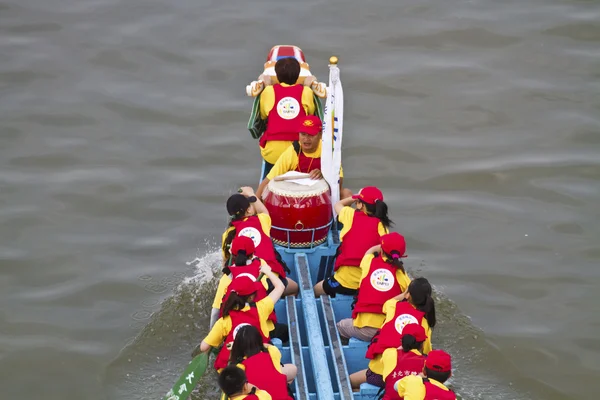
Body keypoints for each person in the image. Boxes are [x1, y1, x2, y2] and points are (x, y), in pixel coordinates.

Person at [350, 277, 437, 390]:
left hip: (379, 376)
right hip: (407, 379)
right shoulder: (425, 325)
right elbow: (426, 354)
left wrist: (404, 294)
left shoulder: (393, 307)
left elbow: (389, 302)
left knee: (350, 380)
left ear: (408, 295)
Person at [197, 264, 285, 371]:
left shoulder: (224, 320)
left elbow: (204, 347)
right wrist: (268, 271)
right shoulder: (261, 308)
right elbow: (280, 287)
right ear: (251, 297)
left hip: (232, 373)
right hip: (256, 366)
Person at [221, 186, 298, 300]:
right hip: (267, 280)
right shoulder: (260, 220)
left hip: (243, 284)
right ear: (248, 210)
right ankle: (277, 301)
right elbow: (264, 211)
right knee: (295, 288)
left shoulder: (227, 234)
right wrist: (251, 194)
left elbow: (225, 263)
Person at [314, 186, 392, 297]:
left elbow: (337, 205)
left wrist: (354, 197)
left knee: (316, 289)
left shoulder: (350, 215)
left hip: (344, 283)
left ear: (360, 204)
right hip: (368, 285)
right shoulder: (383, 226)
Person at [336, 233, 411, 343]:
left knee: (340, 326)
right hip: (389, 330)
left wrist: (382, 246)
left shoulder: (369, 263)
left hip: (368, 330)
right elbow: (410, 293)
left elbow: (369, 252)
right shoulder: (402, 275)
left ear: (381, 249)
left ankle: (344, 347)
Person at [255, 115, 352, 200]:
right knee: (266, 193)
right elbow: (268, 180)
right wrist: (254, 203)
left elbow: (338, 182)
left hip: (321, 198)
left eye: (311, 135)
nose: (306, 139)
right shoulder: (293, 151)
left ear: (320, 134)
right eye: (303, 134)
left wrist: (324, 174)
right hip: (294, 198)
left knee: (347, 194)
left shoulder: (328, 151)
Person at [211, 236, 284, 341]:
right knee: (284, 331)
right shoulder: (261, 265)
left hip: (234, 332)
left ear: (232, 253)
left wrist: (213, 332)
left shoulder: (226, 278)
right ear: (253, 254)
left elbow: (215, 311)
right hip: (264, 329)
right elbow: (278, 286)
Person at [259, 57, 316, 177]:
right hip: (298, 152)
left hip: (272, 153)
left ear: (277, 76)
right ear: (297, 75)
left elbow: (263, 114)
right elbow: (310, 114)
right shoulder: (306, 92)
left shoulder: (269, 91)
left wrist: (267, 86)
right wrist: (307, 86)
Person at [230, 325, 296, 400]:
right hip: (284, 397)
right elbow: (268, 346)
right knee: (290, 372)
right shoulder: (271, 352)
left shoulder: (239, 367)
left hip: (259, 395)